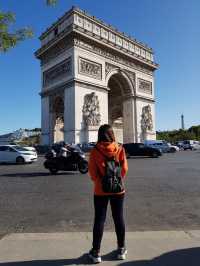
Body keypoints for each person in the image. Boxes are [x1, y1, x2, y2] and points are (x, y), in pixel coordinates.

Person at [88, 124, 128, 263]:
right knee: (119, 218)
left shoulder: (95, 150)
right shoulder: (120, 148)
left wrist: (100, 182)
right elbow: (124, 169)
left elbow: (92, 173)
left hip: (100, 190)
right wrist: (116, 180)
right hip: (118, 189)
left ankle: (96, 252)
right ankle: (121, 249)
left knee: (99, 220)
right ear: (112, 134)